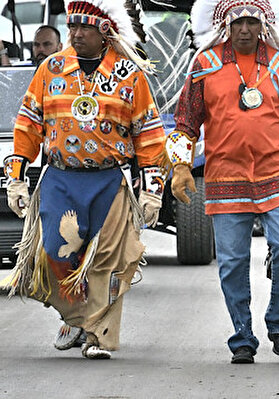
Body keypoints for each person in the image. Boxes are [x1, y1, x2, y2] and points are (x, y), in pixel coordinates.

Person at [170, 0, 279, 365]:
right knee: (232, 262)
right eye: (237, 22)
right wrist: (180, 166)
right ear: (226, 24)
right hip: (225, 178)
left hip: (275, 176)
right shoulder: (205, 64)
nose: (244, 29)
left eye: (251, 22)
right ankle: (242, 335)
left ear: (264, 25)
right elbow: (185, 123)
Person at [2, 0, 166, 360]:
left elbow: (149, 135)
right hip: (61, 179)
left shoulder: (129, 74)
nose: (75, 34)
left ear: (104, 32)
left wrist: (153, 191)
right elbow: (28, 124)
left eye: (84, 28)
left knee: (107, 262)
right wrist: (15, 178)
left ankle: (98, 336)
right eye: (72, 27)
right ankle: (77, 316)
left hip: (110, 181)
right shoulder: (52, 68)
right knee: (54, 254)